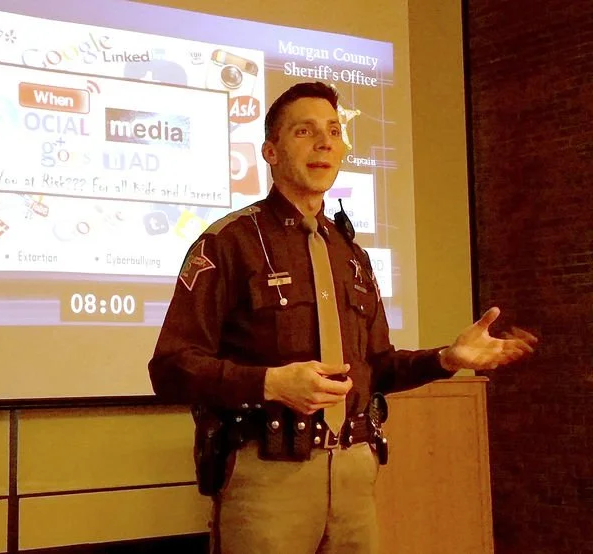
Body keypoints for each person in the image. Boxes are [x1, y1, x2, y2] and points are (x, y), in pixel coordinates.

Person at [147, 81, 537, 554]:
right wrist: (270, 384)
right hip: (269, 477)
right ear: (270, 152)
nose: (325, 142)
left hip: (355, 474)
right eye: (305, 131)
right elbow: (170, 367)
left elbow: (377, 366)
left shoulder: (351, 254)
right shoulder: (229, 242)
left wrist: (447, 359)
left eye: (333, 131)